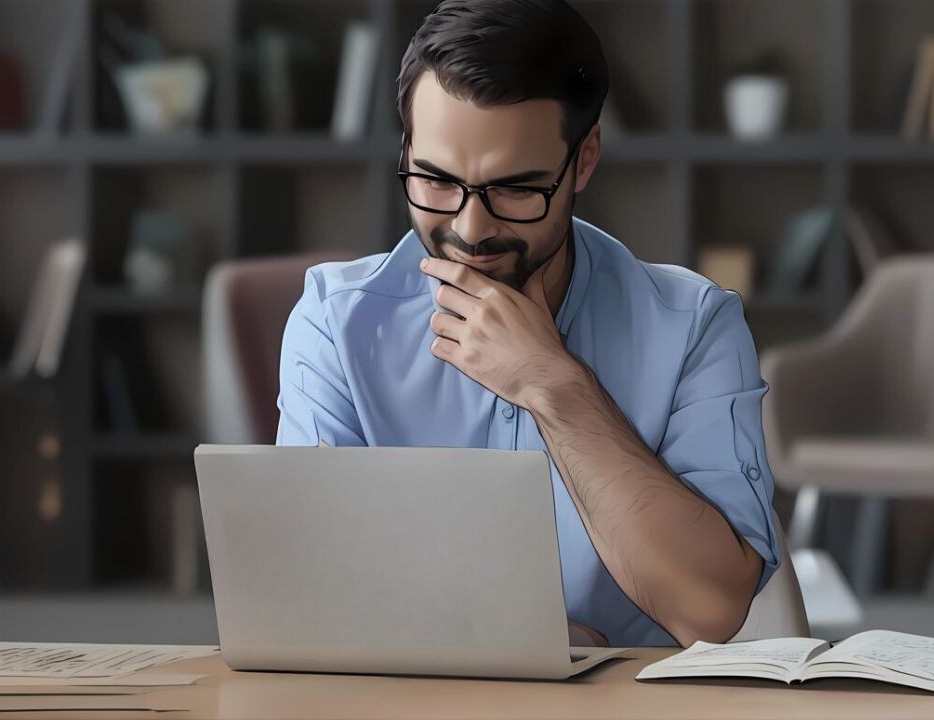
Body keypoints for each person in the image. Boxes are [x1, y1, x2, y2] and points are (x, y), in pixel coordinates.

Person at [275, 0, 780, 648]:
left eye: (515, 188)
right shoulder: (334, 324)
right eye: (434, 179)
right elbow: (311, 594)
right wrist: (531, 637)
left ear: (585, 159)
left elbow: (711, 610)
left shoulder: (693, 328)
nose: (469, 228)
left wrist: (556, 387)